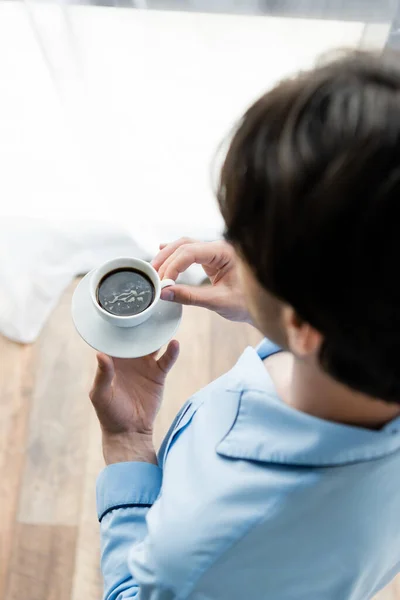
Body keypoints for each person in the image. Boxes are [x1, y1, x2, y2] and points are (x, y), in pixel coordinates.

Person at [90, 51, 400, 600]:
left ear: (307, 326)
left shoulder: (207, 543)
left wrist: (129, 444)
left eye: (245, 238)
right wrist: (270, 308)